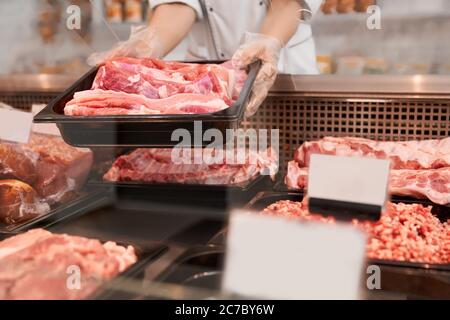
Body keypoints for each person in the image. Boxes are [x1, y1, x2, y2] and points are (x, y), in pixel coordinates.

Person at [89, 0, 374, 116]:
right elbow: (178, 5)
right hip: (201, 89)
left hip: (282, 78)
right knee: (210, 173)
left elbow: (289, 2)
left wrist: (269, 42)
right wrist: (149, 41)